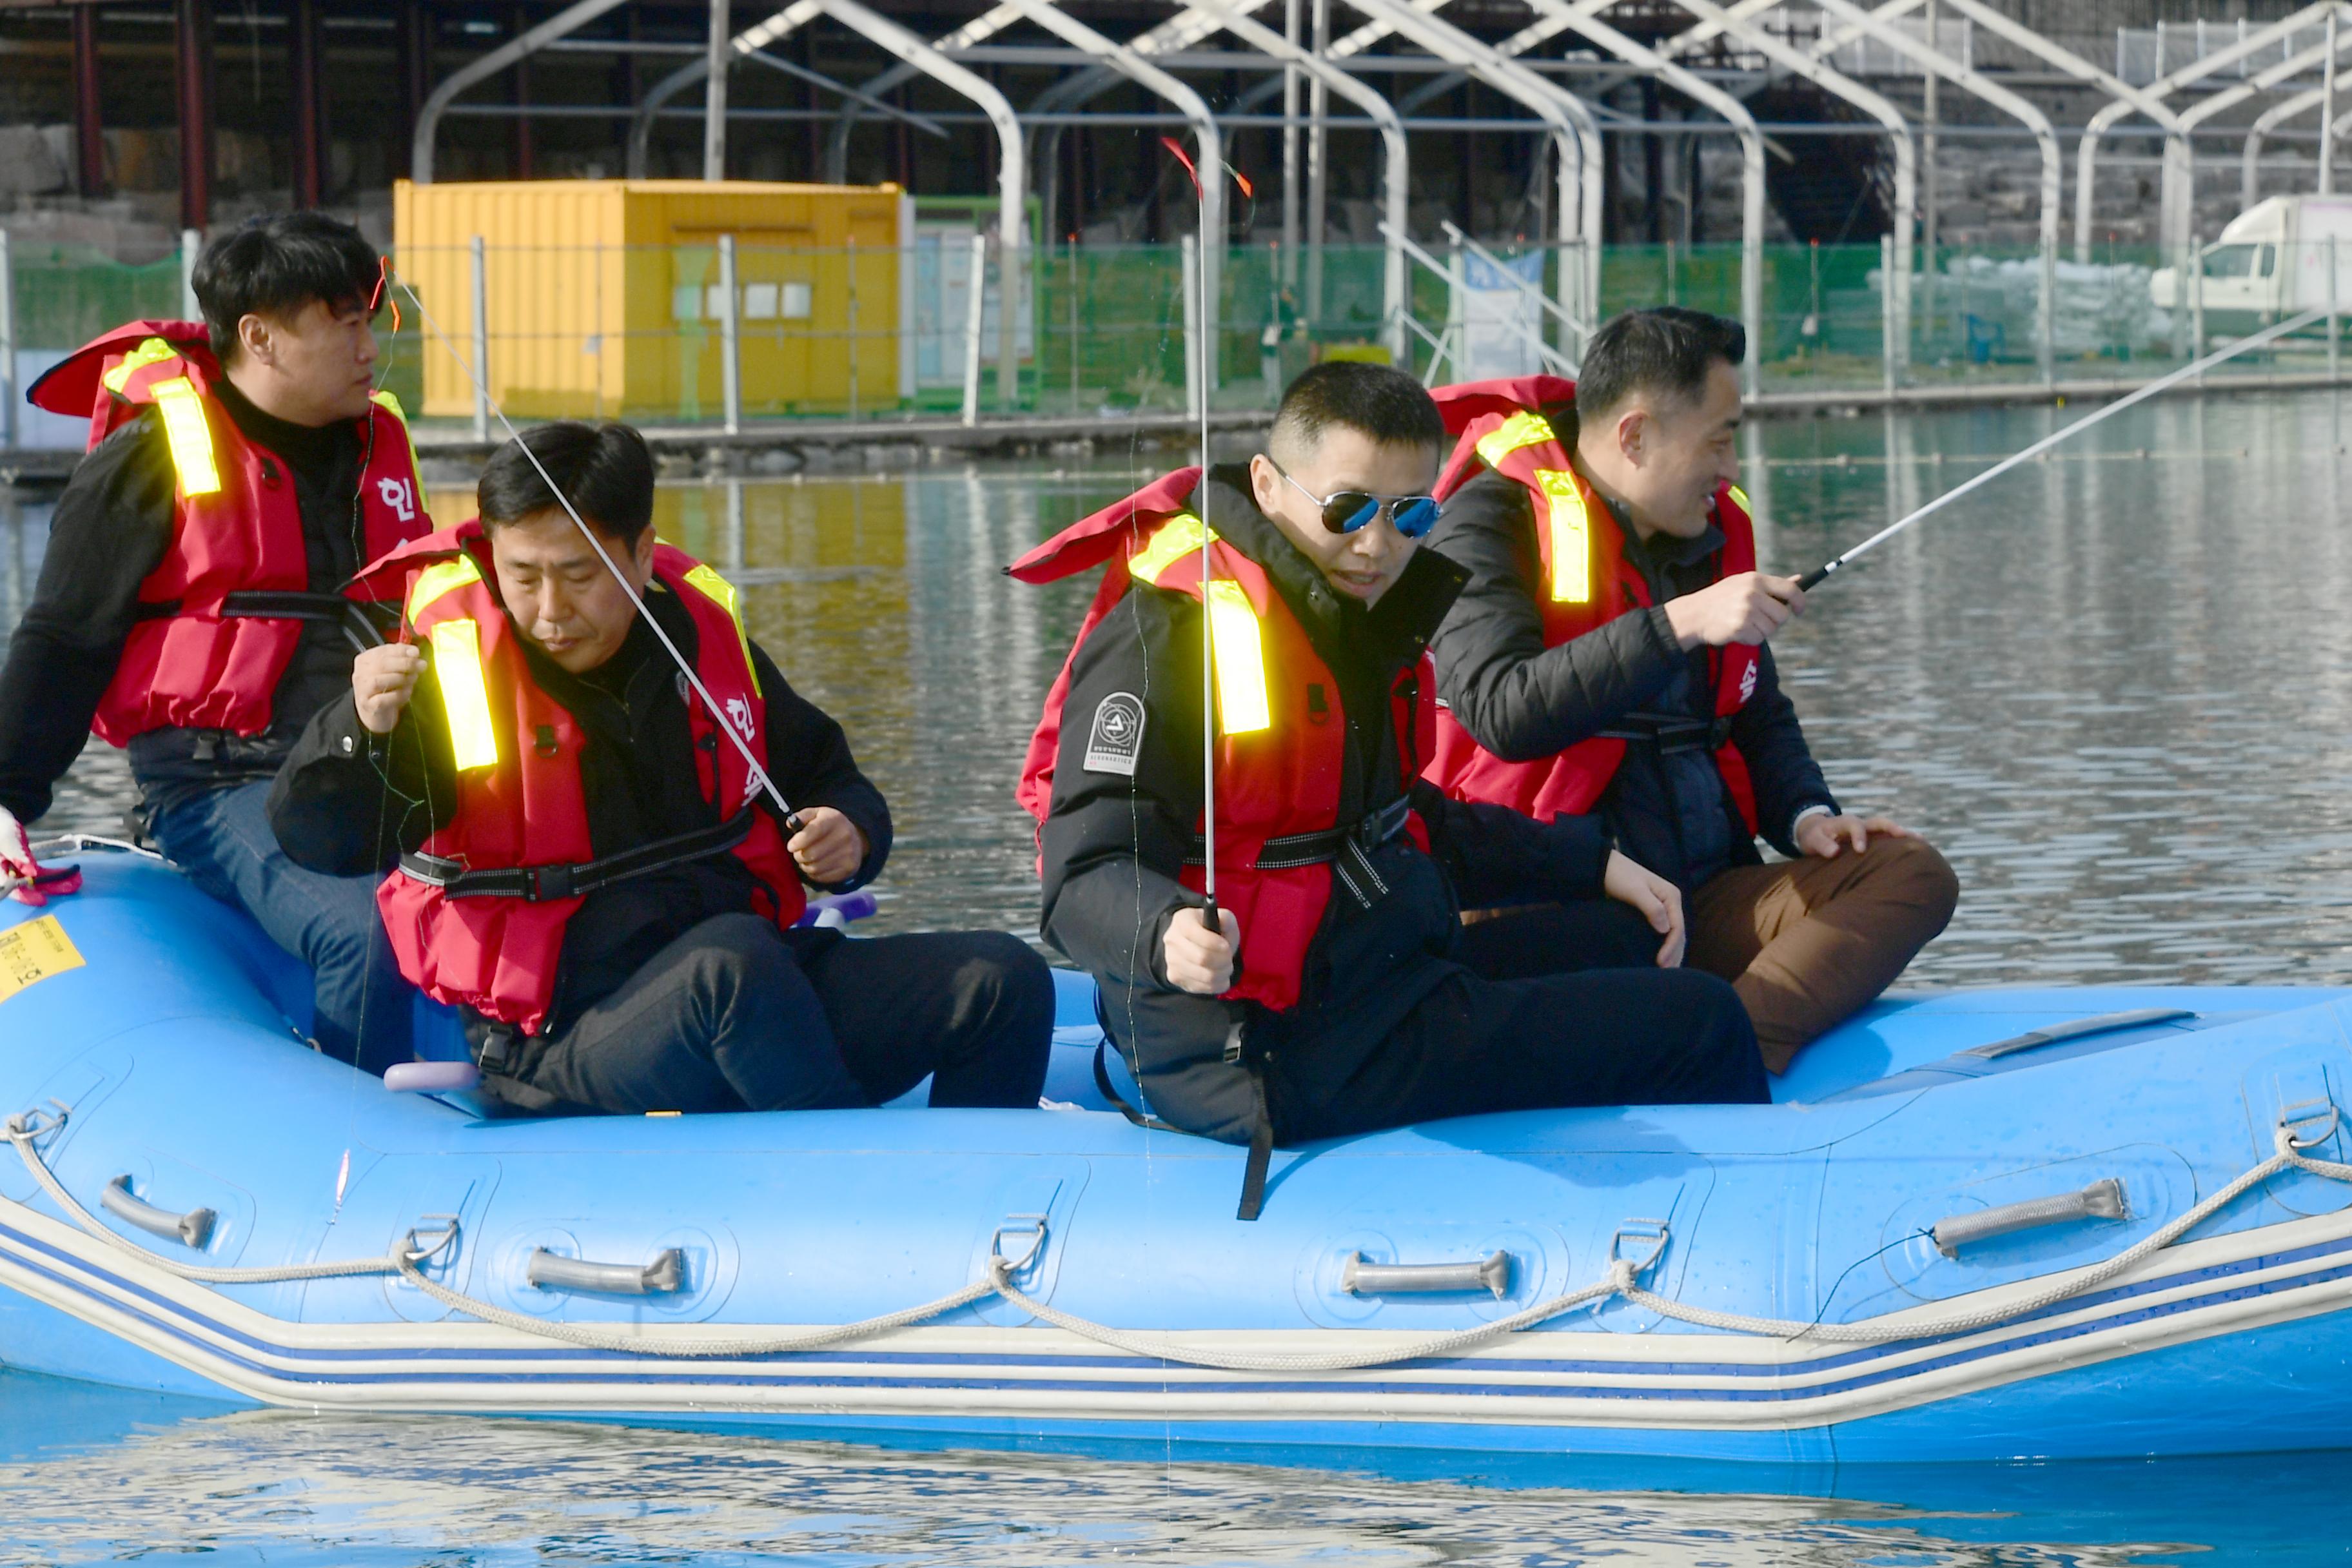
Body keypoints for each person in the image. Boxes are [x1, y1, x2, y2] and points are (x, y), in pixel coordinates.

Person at [1012, 361, 1765, 1218]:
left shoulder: (1350, 611)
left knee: (1623, 933)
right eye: (1348, 511)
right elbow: (1081, 877)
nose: (1378, 544)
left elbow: (1405, 819)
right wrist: (1167, 932)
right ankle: (1735, 1239)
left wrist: (1591, 864)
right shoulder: (1164, 634)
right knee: (1701, 1018)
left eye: (1411, 513)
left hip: (1367, 972)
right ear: (1268, 484)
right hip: (1262, 1043)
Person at [269, 422, 1053, 1118]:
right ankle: (862, 1199)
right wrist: (360, 728)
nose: (548, 610)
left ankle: (990, 1210)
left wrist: (850, 832)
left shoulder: (701, 640)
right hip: (565, 1035)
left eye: (578, 576)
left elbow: (825, 772)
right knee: (731, 968)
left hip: (754, 981)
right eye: (523, 576)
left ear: (642, 555)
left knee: (1005, 978)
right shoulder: (456, 676)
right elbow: (323, 839)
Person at [1423, 308, 1959, 1073]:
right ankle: (1705, 1041)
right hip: (1564, 904)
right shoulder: (1487, 518)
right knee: (1613, 943)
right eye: (1718, 439)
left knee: (1914, 874)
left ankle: (1735, 1040)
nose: (1732, 467)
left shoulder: (1704, 535)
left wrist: (1808, 815)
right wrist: (1676, 624)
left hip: (1702, 897)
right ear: (1635, 436)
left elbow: (1756, 713)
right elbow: (1502, 709)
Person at [0, 211, 432, 1071]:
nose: (368, 343)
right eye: (342, 319)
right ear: (261, 337)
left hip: (373, 767)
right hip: (224, 781)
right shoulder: (153, 452)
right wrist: (7, 797)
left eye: (368, 316)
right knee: (365, 936)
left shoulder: (378, 448)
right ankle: (360, 1152)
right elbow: (63, 636)